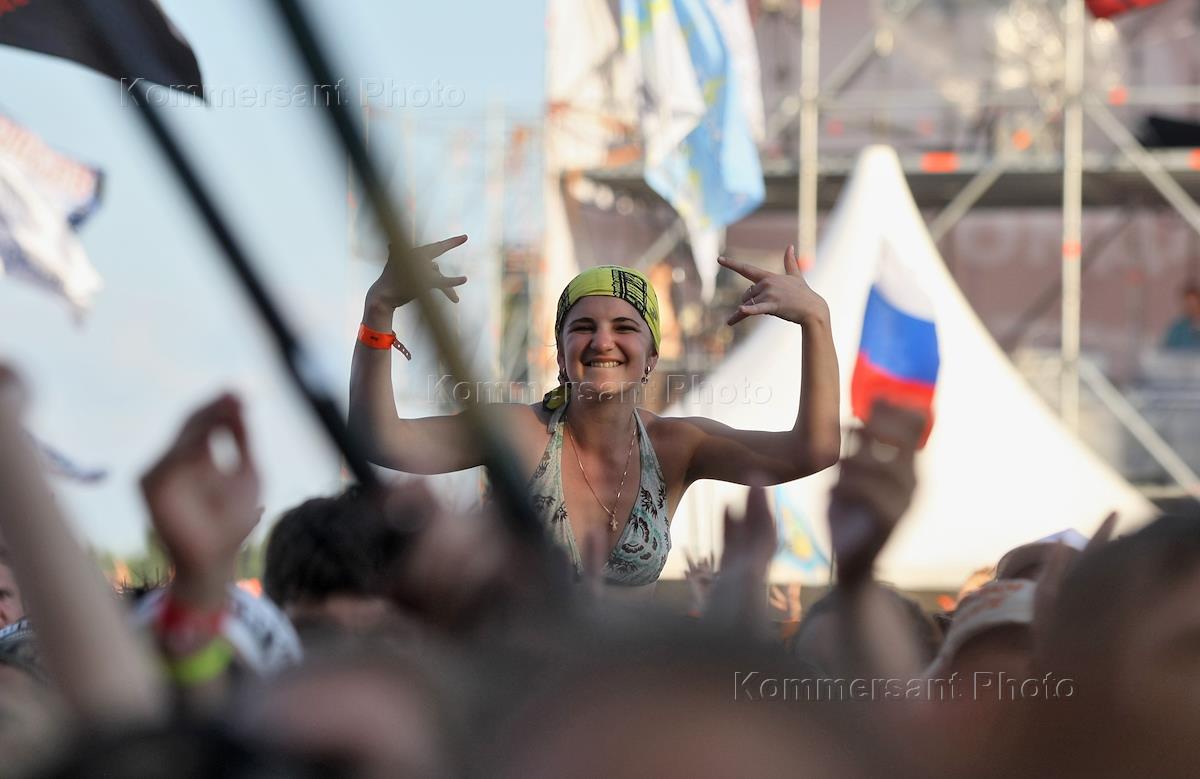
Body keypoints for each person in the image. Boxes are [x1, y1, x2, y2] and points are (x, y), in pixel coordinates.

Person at [349, 237, 841, 591]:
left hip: (623, 697)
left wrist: (816, 321)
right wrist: (379, 311)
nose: (603, 341)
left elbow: (812, 450)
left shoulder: (677, 448)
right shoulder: (517, 433)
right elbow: (380, 439)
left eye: (625, 327)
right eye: (583, 327)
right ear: (562, 357)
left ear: (651, 357)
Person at [1162, 285, 1200, 351]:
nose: (1191, 308)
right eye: (1188, 304)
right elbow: (1166, 350)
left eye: (1194, 304)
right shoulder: (1178, 328)